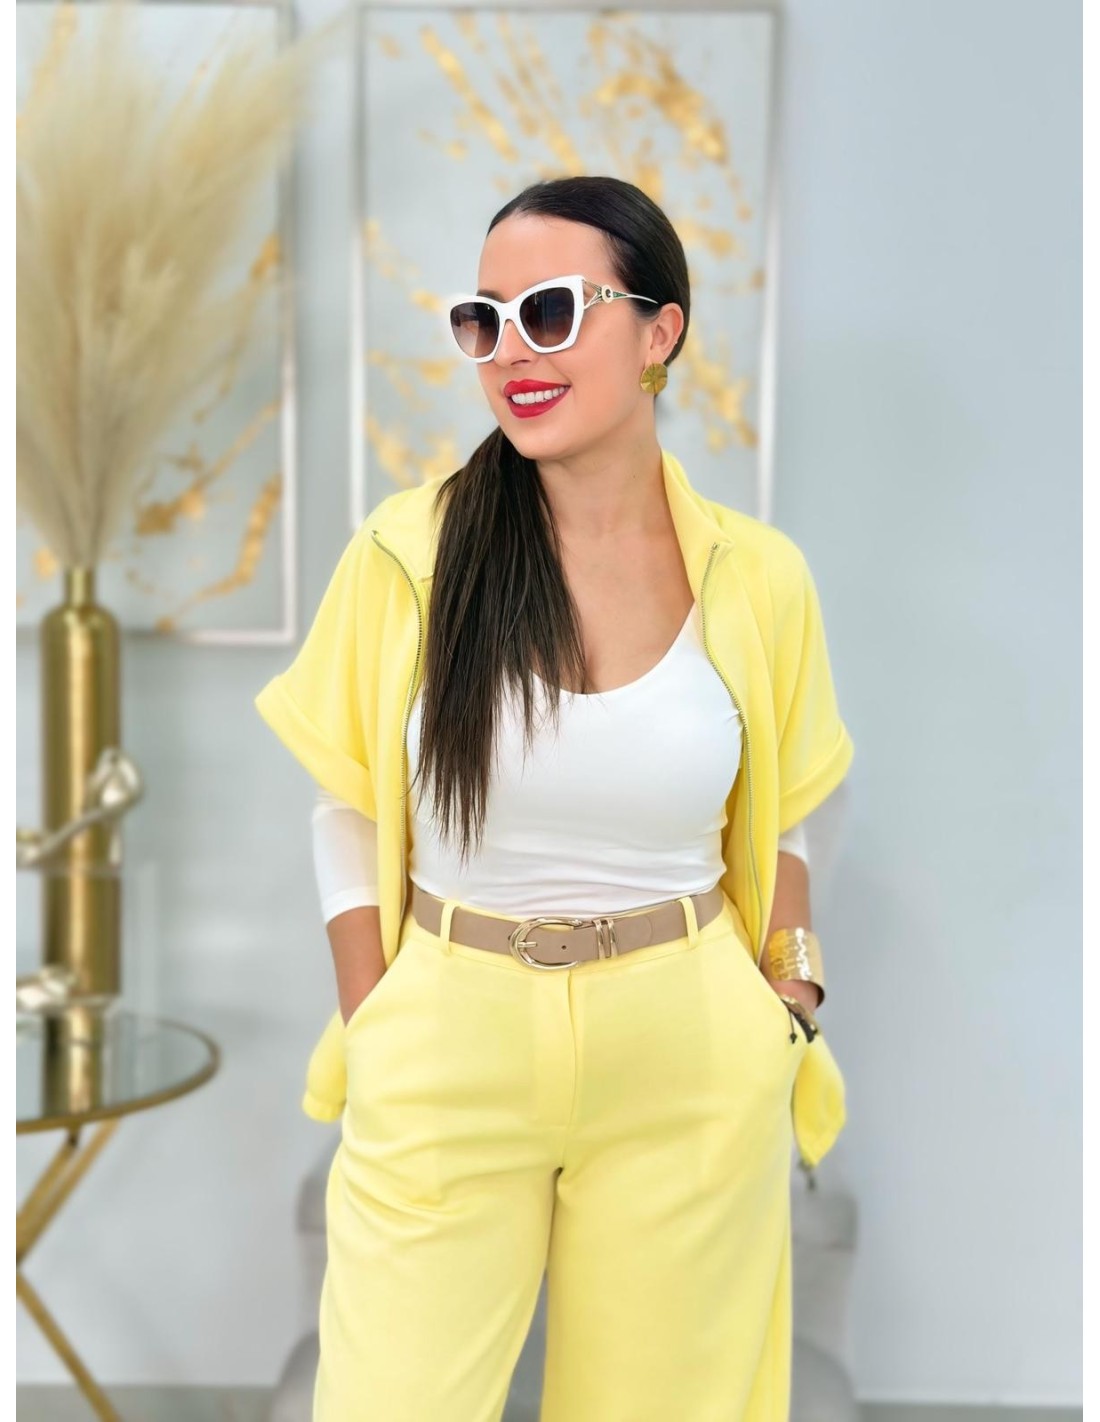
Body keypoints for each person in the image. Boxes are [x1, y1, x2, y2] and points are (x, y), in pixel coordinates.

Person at [255, 174, 855, 1421]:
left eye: (550, 311)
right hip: (449, 1030)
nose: (510, 352)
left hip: (687, 1051)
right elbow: (348, 806)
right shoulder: (406, 555)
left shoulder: (757, 577)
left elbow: (792, 805)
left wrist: (787, 997)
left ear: (658, 331)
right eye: (484, 319)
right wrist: (376, 1015)